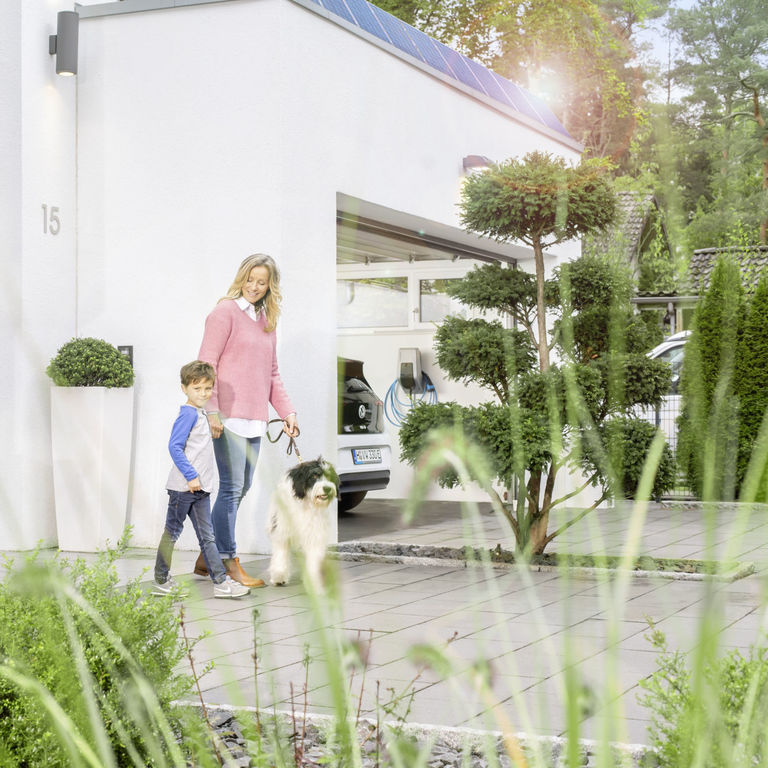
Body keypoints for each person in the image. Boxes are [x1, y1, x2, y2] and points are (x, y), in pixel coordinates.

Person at [195, 253, 298, 587]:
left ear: (270, 286)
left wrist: (287, 413)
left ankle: (205, 553)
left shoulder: (267, 320)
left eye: (261, 282)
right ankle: (227, 561)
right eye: (250, 280)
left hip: (254, 418)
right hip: (225, 417)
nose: (254, 287)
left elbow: (272, 374)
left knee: (241, 489)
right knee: (231, 488)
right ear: (242, 278)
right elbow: (205, 364)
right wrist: (211, 410)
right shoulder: (224, 313)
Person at [153, 361, 250, 599]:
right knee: (172, 533)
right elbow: (174, 447)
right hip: (183, 489)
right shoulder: (187, 414)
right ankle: (161, 579)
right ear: (184, 388)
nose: (203, 394)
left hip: (201, 489)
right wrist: (191, 476)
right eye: (197, 388)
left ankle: (220, 583)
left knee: (208, 538)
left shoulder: (202, 413)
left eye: (207, 389)